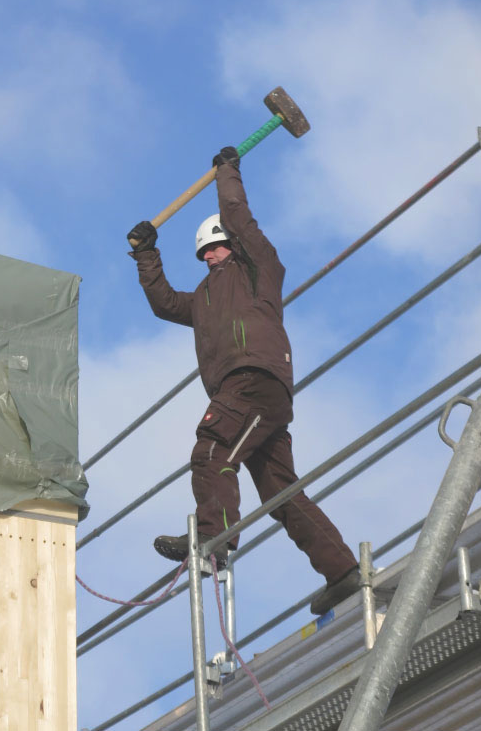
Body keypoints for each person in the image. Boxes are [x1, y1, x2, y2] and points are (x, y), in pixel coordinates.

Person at [127, 146, 359, 616]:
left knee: (212, 448)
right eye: (204, 251)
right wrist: (146, 253)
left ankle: (213, 541)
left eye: (216, 245)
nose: (211, 255)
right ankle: (342, 572)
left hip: (254, 378)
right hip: (251, 395)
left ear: (233, 244)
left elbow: (237, 216)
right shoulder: (203, 298)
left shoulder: (259, 268)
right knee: (280, 493)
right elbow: (163, 302)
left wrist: (227, 172)